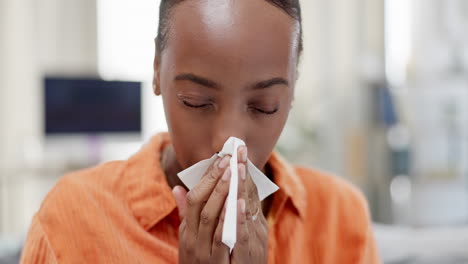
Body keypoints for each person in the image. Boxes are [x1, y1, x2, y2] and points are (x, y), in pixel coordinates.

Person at [21, 0, 381, 263]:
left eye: (264, 105)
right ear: (157, 69)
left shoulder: (340, 218)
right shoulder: (72, 221)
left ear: (292, 90)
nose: (228, 141)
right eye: (195, 101)